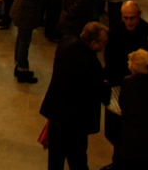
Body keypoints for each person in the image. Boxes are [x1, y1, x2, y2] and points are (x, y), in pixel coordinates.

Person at [40, 22, 111, 170]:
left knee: (55, 157)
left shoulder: (66, 43)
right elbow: (100, 93)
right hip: (75, 122)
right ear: (93, 43)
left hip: (56, 112)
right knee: (77, 159)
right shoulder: (91, 64)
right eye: (104, 42)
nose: (105, 45)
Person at [10, 0, 50, 83]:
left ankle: (19, 65)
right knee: (24, 41)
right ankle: (22, 68)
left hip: (27, 9)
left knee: (22, 38)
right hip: (25, 10)